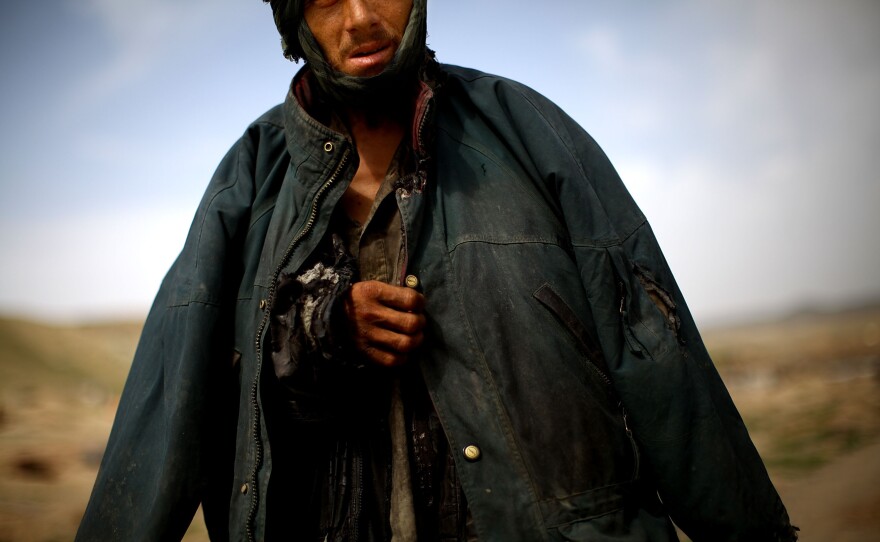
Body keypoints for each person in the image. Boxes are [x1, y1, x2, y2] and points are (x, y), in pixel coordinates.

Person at [77, 1, 798, 541]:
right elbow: (178, 388)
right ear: (295, 21)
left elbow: (650, 339)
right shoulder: (251, 176)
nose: (360, 18)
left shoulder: (523, 129)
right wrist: (321, 328)